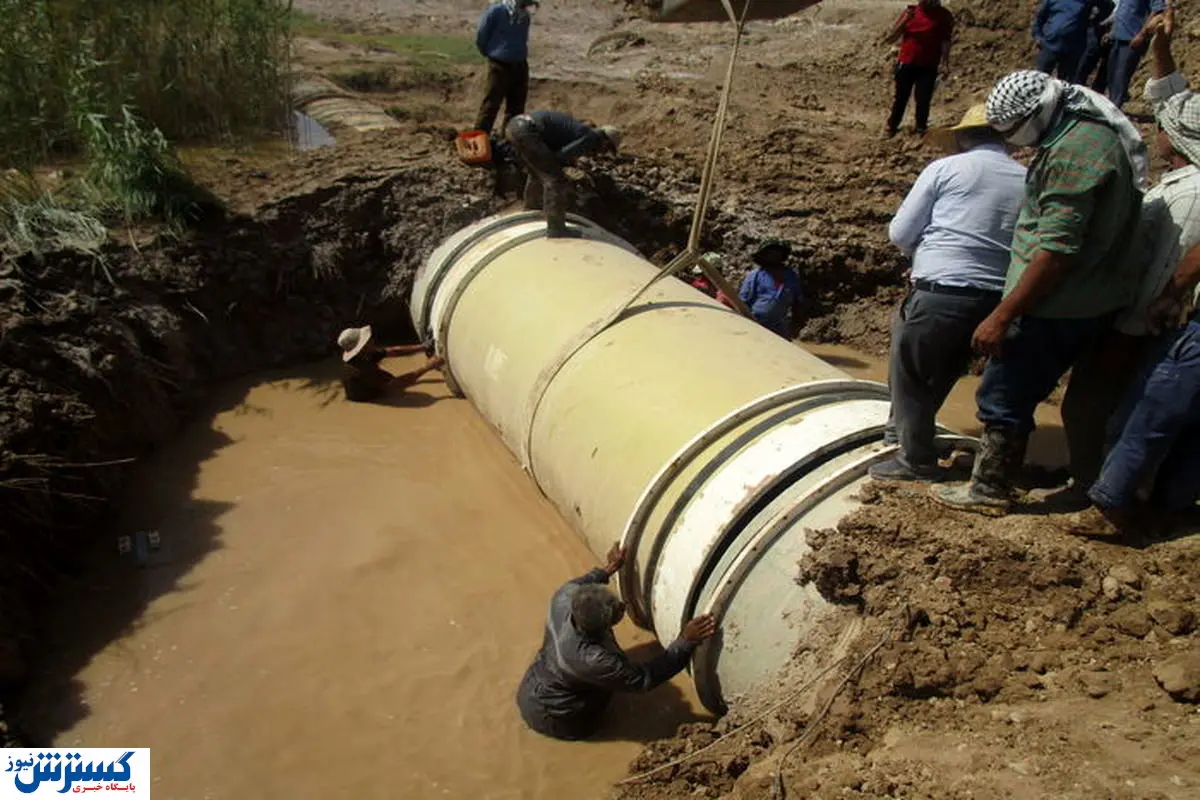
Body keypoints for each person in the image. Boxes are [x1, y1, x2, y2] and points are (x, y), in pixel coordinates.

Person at [932, 69, 1147, 515]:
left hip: (1055, 304)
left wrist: (1003, 314)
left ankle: (990, 488)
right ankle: (1084, 480)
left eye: (1014, 131)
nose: (1015, 141)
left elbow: (1056, 250)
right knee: (1079, 399)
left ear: (1034, 114)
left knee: (1003, 393)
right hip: (1095, 299)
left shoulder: (1071, 154)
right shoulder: (1093, 135)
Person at [1061, 9, 1200, 493]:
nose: (1154, 129)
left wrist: (1124, 331)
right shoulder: (1187, 176)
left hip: (1138, 325)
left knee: (1098, 407)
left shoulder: (1188, 197)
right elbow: (1173, 97)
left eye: (1162, 125)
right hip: (1144, 324)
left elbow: (1162, 269)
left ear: (1176, 139)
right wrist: (1161, 48)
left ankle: (1093, 488)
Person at [870, 105, 1027, 483]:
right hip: (997, 302)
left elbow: (900, 233)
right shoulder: (1027, 178)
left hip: (941, 291)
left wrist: (925, 254)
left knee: (909, 371)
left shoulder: (945, 169)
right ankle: (908, 438)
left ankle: (915, 460)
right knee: (944, 371)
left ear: (961, 138)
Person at [516, 544, 718, 741]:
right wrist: (685, 641)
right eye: (618, 610)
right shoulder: (594, 659)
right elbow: (644, 679)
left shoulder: (564, 597)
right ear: (603, 625)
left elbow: (584, 583)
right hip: (559, 715)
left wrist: (609, 568)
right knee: (608, 695)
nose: (622, 605)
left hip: (534, 687)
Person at [505, 111, 622, 238]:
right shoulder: (590, 138)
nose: (602, 153)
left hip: (515, 126)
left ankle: (531, 211)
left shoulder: (579, 130)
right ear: (605, 140)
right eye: (607, 149)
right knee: (555, 180)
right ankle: (556, 229)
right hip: (527, 132)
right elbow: (560, 157)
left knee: (537, 173)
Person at [883, 0, 955, 137]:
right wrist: (905, 21)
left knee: (923, 99)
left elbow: (945, 40)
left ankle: (921, 129)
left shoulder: (943, 16)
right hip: (907, 62)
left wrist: (945, 63)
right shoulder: (911, 12)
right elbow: (891, 38)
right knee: (901, 97)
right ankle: (892, 126)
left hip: (929, 64)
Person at [475, 0, 538, 134]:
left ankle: (509, 142)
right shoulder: (496, 11)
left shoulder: (524, 14)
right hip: (499, 65)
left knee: (516, 108)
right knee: (491, 105)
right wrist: (492, 53)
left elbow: (523, 38)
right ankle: (479, 140)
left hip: (520, 64)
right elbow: (482, 35)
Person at [338, 326, 444, 403]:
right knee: (393, 389)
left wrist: (422, 347)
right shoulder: (361, 370)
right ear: (362, 348)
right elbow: (394, 385)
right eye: (368, 340)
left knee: (388, 379)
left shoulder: (365, 354)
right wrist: (427, 367)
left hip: (371, 383)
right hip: (368, 397)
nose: (372, 340)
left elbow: (393, 351)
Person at [738, 239, 804, 339]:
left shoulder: (791, 276)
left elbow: (798, 302)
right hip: (756, 323)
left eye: (778, 251)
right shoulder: (755, 275)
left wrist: (796, 325)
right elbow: (742, 302)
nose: (775, 254)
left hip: (780, 326)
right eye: (771, 252)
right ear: (764, 255)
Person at [1107, 0, 1166, 107]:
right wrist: (1111, 32)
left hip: (1132, 39)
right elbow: (1120, 13)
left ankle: (1115, 107)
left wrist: (1142, 34)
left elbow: (1157, 11)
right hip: (1117, 37)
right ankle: (1110, 105)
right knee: (1111, 74)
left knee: (1122, 75)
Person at [1033, 0, 1095, 81]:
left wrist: (1096, 18)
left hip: (1072, 50)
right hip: (1049, 45)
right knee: (1040, 78)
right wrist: (1038, 36)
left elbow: (1106, 8)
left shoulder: (1087, 3)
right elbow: (1039, 18)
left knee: (1065, 83)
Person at [1076, 0, 1117, 91]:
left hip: (1113, 28)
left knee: (1108, 62)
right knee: (1090, 54)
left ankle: (1097, 89)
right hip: (1097, 25)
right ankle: (1078, 83)